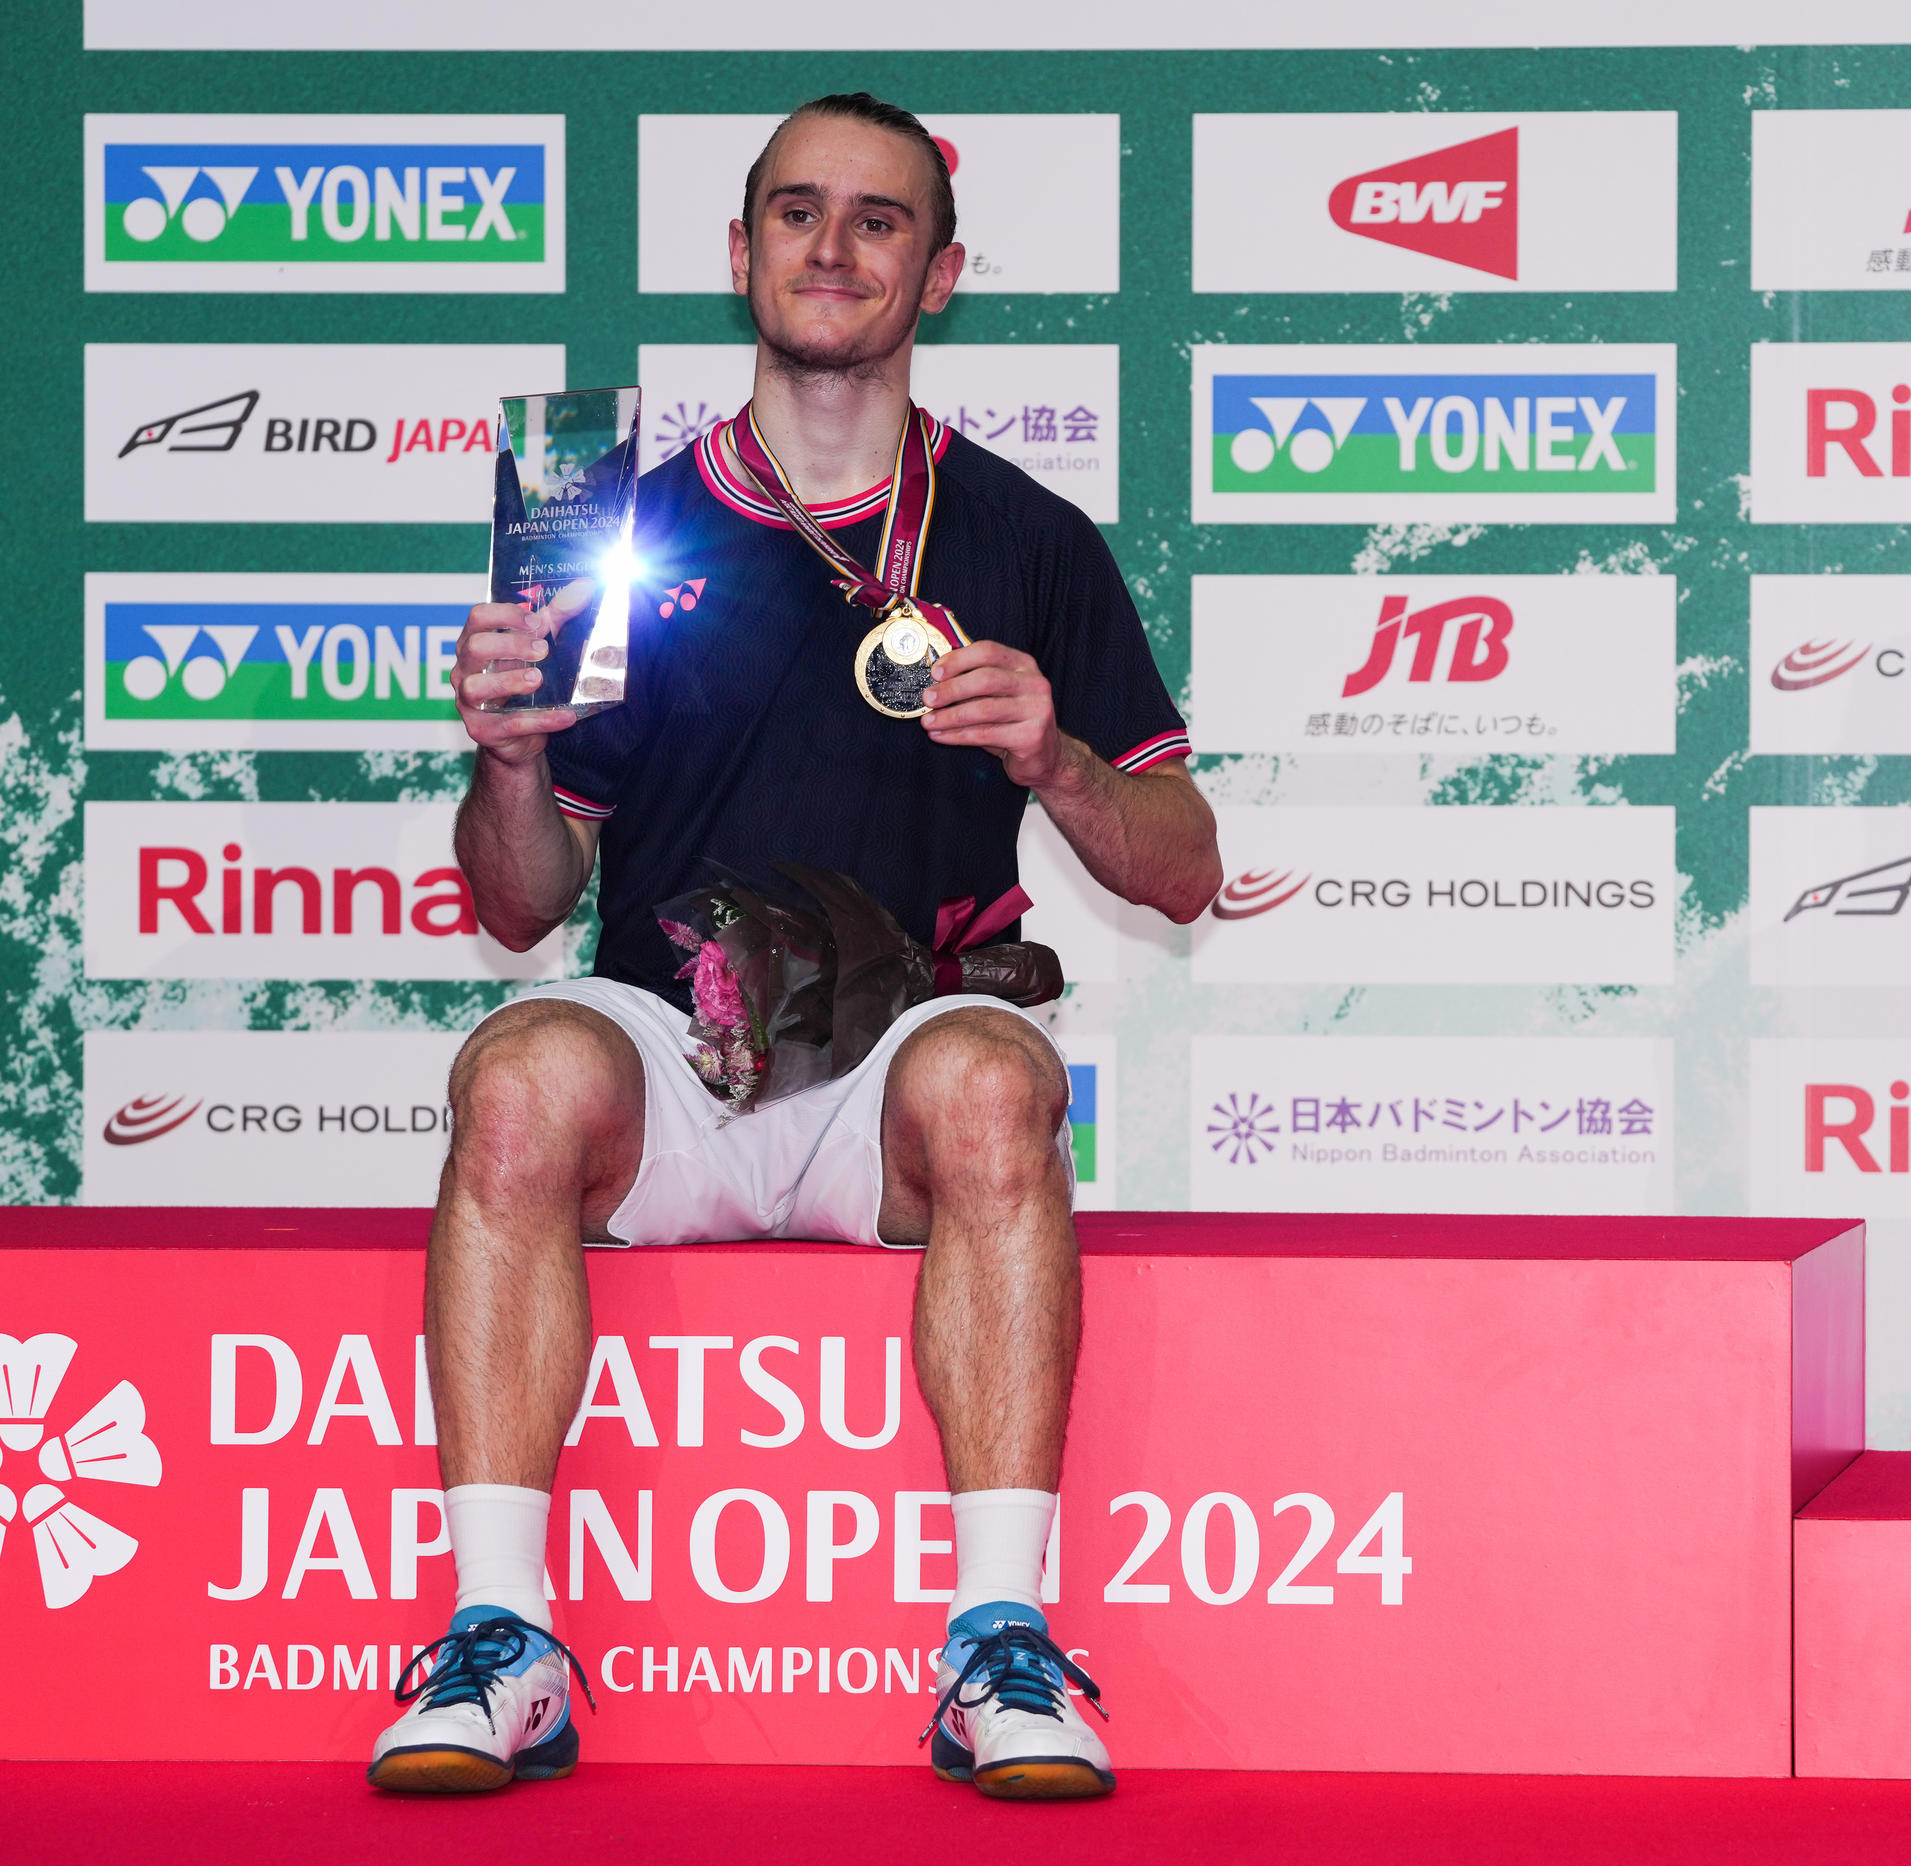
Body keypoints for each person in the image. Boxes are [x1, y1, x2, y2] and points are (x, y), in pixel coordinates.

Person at [365, 92, 1218, 1802]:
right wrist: (511, 759)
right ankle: (502, 1638)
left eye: (880, 220)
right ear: (737, 252)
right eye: (797, 213)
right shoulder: (621, 530)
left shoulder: (1025, 539)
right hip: (670, 1053)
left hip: (894, 1065)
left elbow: (1186, 869)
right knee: (512, 1067)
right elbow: (523, 907)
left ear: (944, 272)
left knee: (1000, 1077)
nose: (833, 249)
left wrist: (1052, 758)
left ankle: (999, 1646)